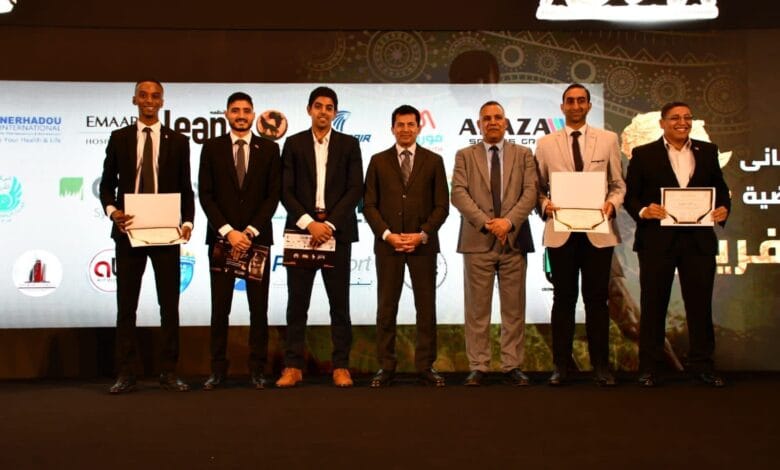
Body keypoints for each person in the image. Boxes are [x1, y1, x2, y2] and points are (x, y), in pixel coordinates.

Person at [625, 101, 730, 387]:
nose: (682, 122)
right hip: (657, 241)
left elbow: (721, 190)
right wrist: (644, 211)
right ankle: (650, 368)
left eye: (687, 117)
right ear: (662, 123)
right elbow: (631, 196)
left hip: (698, 242)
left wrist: (723, 208)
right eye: (675, 118)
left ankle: (703, 367)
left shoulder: (708, 151)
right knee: (653, 306)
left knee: (699, 306)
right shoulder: (643, 154)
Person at [99, 79, 194, 394]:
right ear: (134, 100)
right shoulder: (120, 138)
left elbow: (186, 188)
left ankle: (169, 371)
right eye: (143, 95)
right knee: (127, 306)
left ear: (162, 101)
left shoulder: (178, 141)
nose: (149, 100)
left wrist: (188, 222)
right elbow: (106, 185)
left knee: (169, 305)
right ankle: (126, 373)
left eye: (155, 95)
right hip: (129, 231)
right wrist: (113, 212)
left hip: (166, 232)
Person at [535, 83, 625, 386]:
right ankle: (561, 366)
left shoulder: (608, 139)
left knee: (597, 300)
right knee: (563, 299)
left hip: (598, 231)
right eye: (570, 101)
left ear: (588, 105)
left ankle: (601, 366)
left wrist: (612, 204)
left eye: (581, 101)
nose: (576, 106)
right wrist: (544, 204)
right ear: (562, 107)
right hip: (561, 230)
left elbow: (618, 184)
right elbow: (537, 188)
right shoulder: (545, 143)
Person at [277, 86, 363, 387]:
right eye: (318, 106)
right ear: (309, 110)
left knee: (339, 304)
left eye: (329, 107)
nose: (323, 111)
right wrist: (309, 223)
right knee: (296, 304)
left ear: (335, 113)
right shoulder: (293, 143)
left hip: (337, 234)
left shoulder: (350, 145)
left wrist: (330, 225)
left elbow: (355, 188)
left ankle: (341, 366)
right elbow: (285, 189)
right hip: (301, 232)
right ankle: (293, 366)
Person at [198, 92, 281, 390]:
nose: (241, 115)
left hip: (256, 241)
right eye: (236, 110)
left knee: (258, 309)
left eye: (246, 110)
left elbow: (273, 195)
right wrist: (228, 232)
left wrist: (249, 232)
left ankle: (258, 370)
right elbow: (206, 194)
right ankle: (217, 370)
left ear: (253, 114)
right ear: (227, 114)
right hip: (222, 241)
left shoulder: (269, 149)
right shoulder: (211, 148)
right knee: (220, 308)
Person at [363, 105, 450, 387]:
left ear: (419, 128)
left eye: (411, 124)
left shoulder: (434, 161)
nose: (405, 129)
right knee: (386, 308)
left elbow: (442, 206)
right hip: (388, 247)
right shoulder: (377, 161)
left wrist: (422, 234)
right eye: (400, 124)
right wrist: (387, 234)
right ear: (392, 128)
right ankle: (386, 366)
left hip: (422, 247)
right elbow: (369, 205)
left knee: (426, 308)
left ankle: (425, 366)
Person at [451, 101, 537, 386]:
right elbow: (458, 193)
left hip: (514, 240)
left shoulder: (524, 154)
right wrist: (489, 223)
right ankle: (479, 365)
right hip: (478, 240)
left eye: (497, 117)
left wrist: (508, 222)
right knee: (477, 310)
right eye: (486, 118)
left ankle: (512, 365)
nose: (492, 122)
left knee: (514, 309)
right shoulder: (464, 155)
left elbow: (530, 192)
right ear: (479, 124)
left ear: (506, 122)